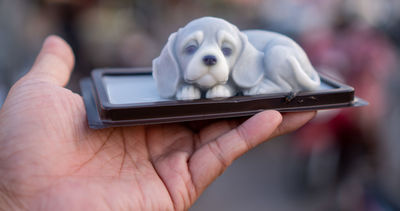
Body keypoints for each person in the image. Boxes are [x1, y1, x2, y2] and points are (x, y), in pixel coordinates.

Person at [0, 36, 316, 210]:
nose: (209, 56)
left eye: (225, 49)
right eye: (191, 47)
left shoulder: (261, 55)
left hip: (283, 61)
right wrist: (14, 197)